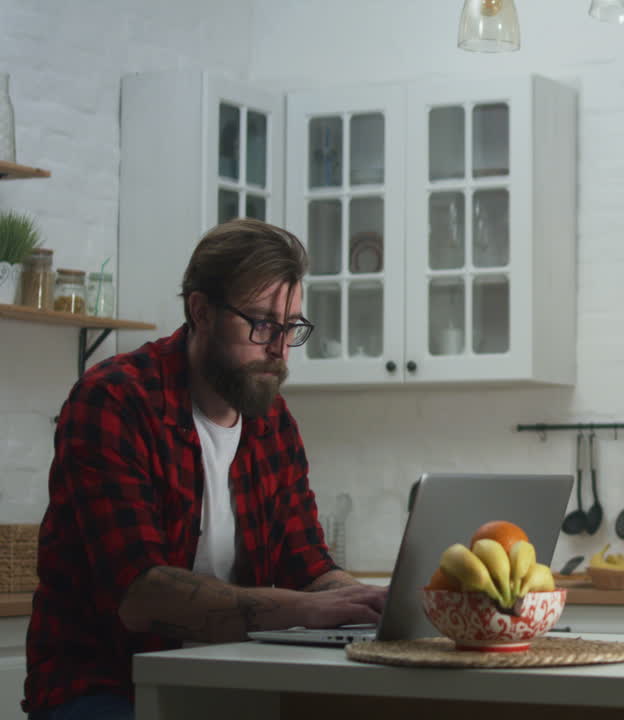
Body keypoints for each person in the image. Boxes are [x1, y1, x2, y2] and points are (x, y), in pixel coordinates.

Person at [24, 219, 387, 719]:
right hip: (104, 685)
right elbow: (142, 595)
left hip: (229, 678)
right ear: (201, 311)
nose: (279, 350)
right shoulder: (114, 401)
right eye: (261, 324)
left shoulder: (273, 424)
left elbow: (308, 569)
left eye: (291, 328)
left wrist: (373, 600)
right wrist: (304, 610)